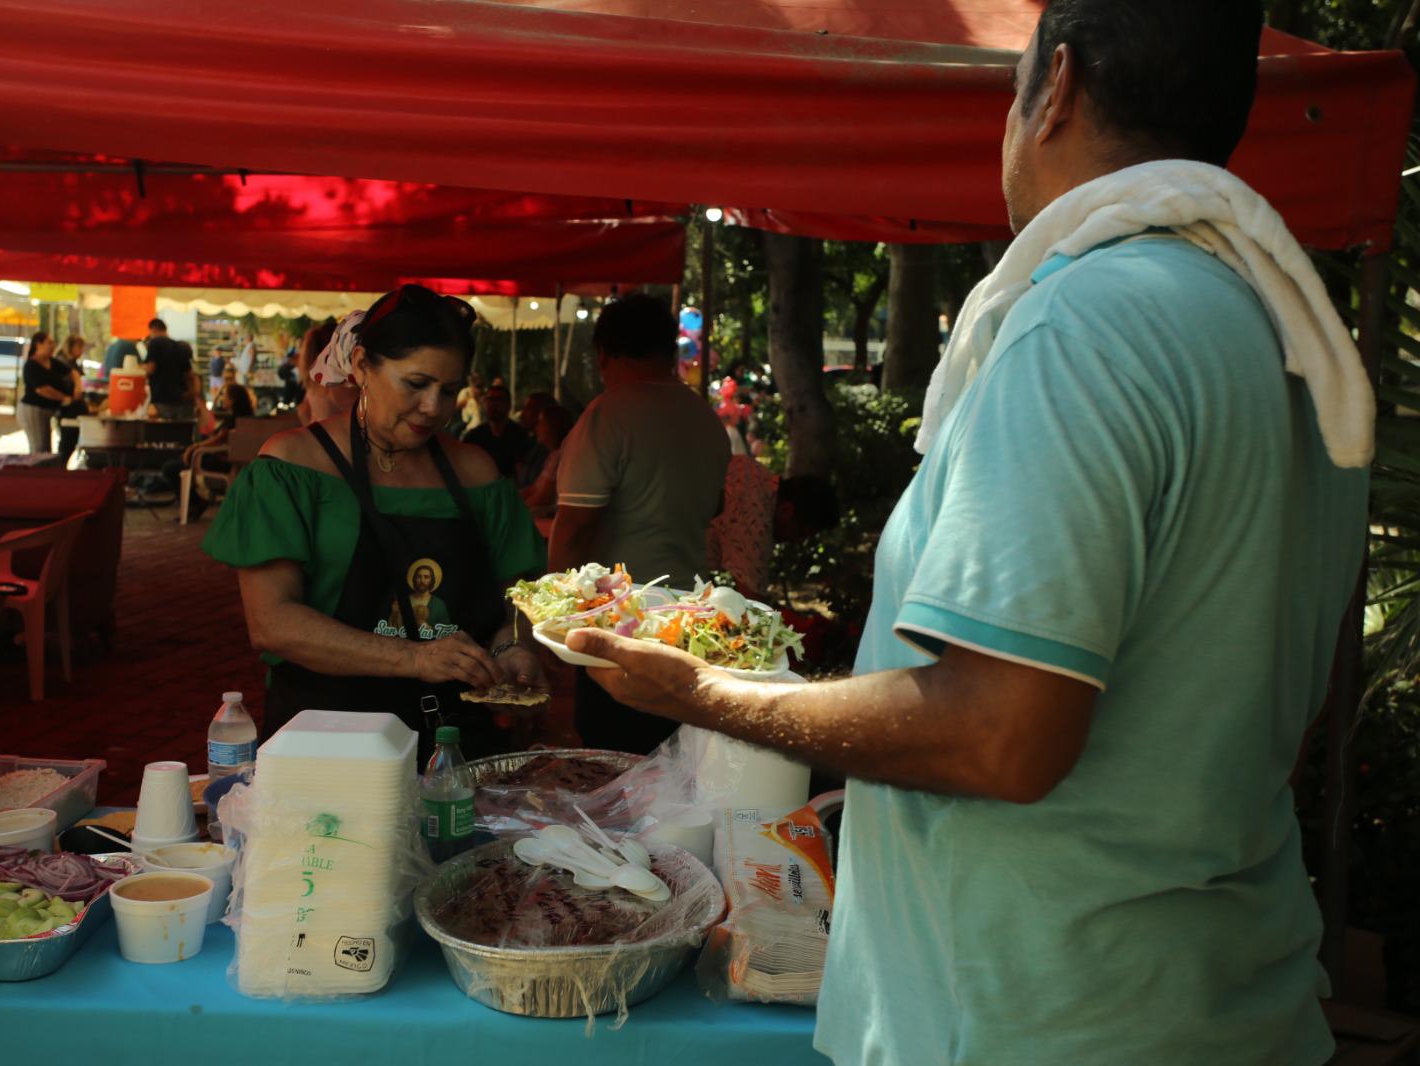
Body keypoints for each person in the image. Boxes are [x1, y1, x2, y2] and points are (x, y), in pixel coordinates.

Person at [563, 4, 1370, 1064]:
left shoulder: (1086, 321)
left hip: (1035, 1015)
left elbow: (1000, 732)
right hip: (1215, 994)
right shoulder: (1284, 339)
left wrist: (704, 694)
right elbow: (1262, 716)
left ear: (1059, 87)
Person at [202, 284, 548, 765]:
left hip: (455, 738)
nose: (433, 408)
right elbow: (272, 623)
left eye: (449, 391)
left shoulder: (477, 473)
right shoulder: (292, 466)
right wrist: (415, 658)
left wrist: (514, 645)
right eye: (416, 384)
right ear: (362, 366)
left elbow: (517, 592)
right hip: (328, 735)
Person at [548, 292, 730, 754]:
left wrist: (552, 616)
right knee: (671, 758)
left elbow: (573, 529)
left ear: (603, 354)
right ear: (671, 352)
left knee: (614, 759)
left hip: (619, 624)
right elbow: (713, 508)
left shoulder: (607, 415)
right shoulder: (706, 421)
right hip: (688, 618)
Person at [704, 462, 839, 599]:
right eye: (800, 533)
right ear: (787, 510)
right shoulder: (756, 522)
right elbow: (753, 605)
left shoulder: (750, 469)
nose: (798, 541)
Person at [162, 382, 255, 518]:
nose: (223, 398)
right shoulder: (245, 418)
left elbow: (219, 439)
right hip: (228, 459)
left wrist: (195, 447)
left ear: (233, 399)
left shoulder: (235, 420)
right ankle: (195, 502)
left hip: (221, 461)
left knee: (170, 468)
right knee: (176, 463)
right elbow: (215, 436)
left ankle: (194, 502)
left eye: (225, 396)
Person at [298, 316, 361, 426]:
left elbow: (303, 411)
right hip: (342, 440)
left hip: (320, 440)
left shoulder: (314, 383)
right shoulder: (342, 384)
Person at [461, 384, 532, 479]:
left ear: (508, 405)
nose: (493, 404)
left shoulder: (519, 436)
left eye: (498, 400)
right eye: (489, 400)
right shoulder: (474, 436)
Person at [17, 331, 70, 454]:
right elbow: (42, 389)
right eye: (49, 342)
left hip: (47, 409)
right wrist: (63, 398)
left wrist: (77, 387)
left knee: (46, 447)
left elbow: (72, 372)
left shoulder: (53, 362)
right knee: (39, 447)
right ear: (38, 344)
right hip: (33, 409)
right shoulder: (31, 365)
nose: (53, 345)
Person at [520, 404, 575, 512]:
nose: (537, 427)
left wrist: (515, 510)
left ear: (553, 425)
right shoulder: (553, 455)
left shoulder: (562, 457)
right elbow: (534, 489)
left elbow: (544, 498)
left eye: (541, 422)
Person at [143, 318, 193, 419]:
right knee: (174, 432)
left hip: (161, 397)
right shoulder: (179, 346)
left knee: (162, 431)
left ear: (153, 329)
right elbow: (189, 374)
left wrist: (141, 369)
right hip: (178, 398)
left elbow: (151, 368)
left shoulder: (154, 343)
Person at [53, 334, 89, 467]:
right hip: (67, 408)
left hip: (74, 407)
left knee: (70, 440)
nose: (81, 351)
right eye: (79, 347)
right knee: (67, 440)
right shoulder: (62, 362)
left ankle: (61, 466)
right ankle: (59, 468)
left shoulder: (73, 363)